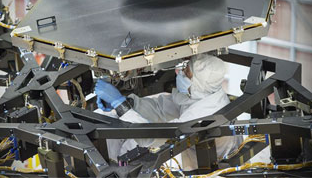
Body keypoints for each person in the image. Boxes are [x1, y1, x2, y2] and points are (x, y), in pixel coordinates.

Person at [94, 53, 242, 170]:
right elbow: (160, 108)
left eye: (187, 73)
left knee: (131, 145)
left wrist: (120, 105)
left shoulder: (202, 114)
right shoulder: (202, 93)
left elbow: (153, 137)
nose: (181, 73)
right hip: (192, 147)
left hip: (205, 163)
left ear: (198, 83)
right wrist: (127, 103)